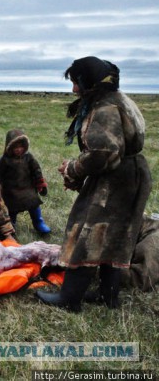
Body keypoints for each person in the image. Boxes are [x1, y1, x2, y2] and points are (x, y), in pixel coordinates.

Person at [35, 56, 151, 312]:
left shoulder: (104, 109)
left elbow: (104, 153)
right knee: (115, 234)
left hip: (115, 181)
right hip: (131, 176)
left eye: (76, 82)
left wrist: (73, 169)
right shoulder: (118, 98)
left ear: (88, 81)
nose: (74, 89)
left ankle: (70, 299)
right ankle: (108, 295)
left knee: (90, 232)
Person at [0, 129, 51, 234]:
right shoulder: (4, 160)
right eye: (16, 147)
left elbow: (36, 170)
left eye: (21, 146)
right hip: (11, 191)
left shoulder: (28, 158)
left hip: (28, 188)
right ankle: (11, 224)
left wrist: (40, 183)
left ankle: (38, 222)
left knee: (34, 204)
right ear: (9, 147)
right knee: (11, 209)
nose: (19, 149)